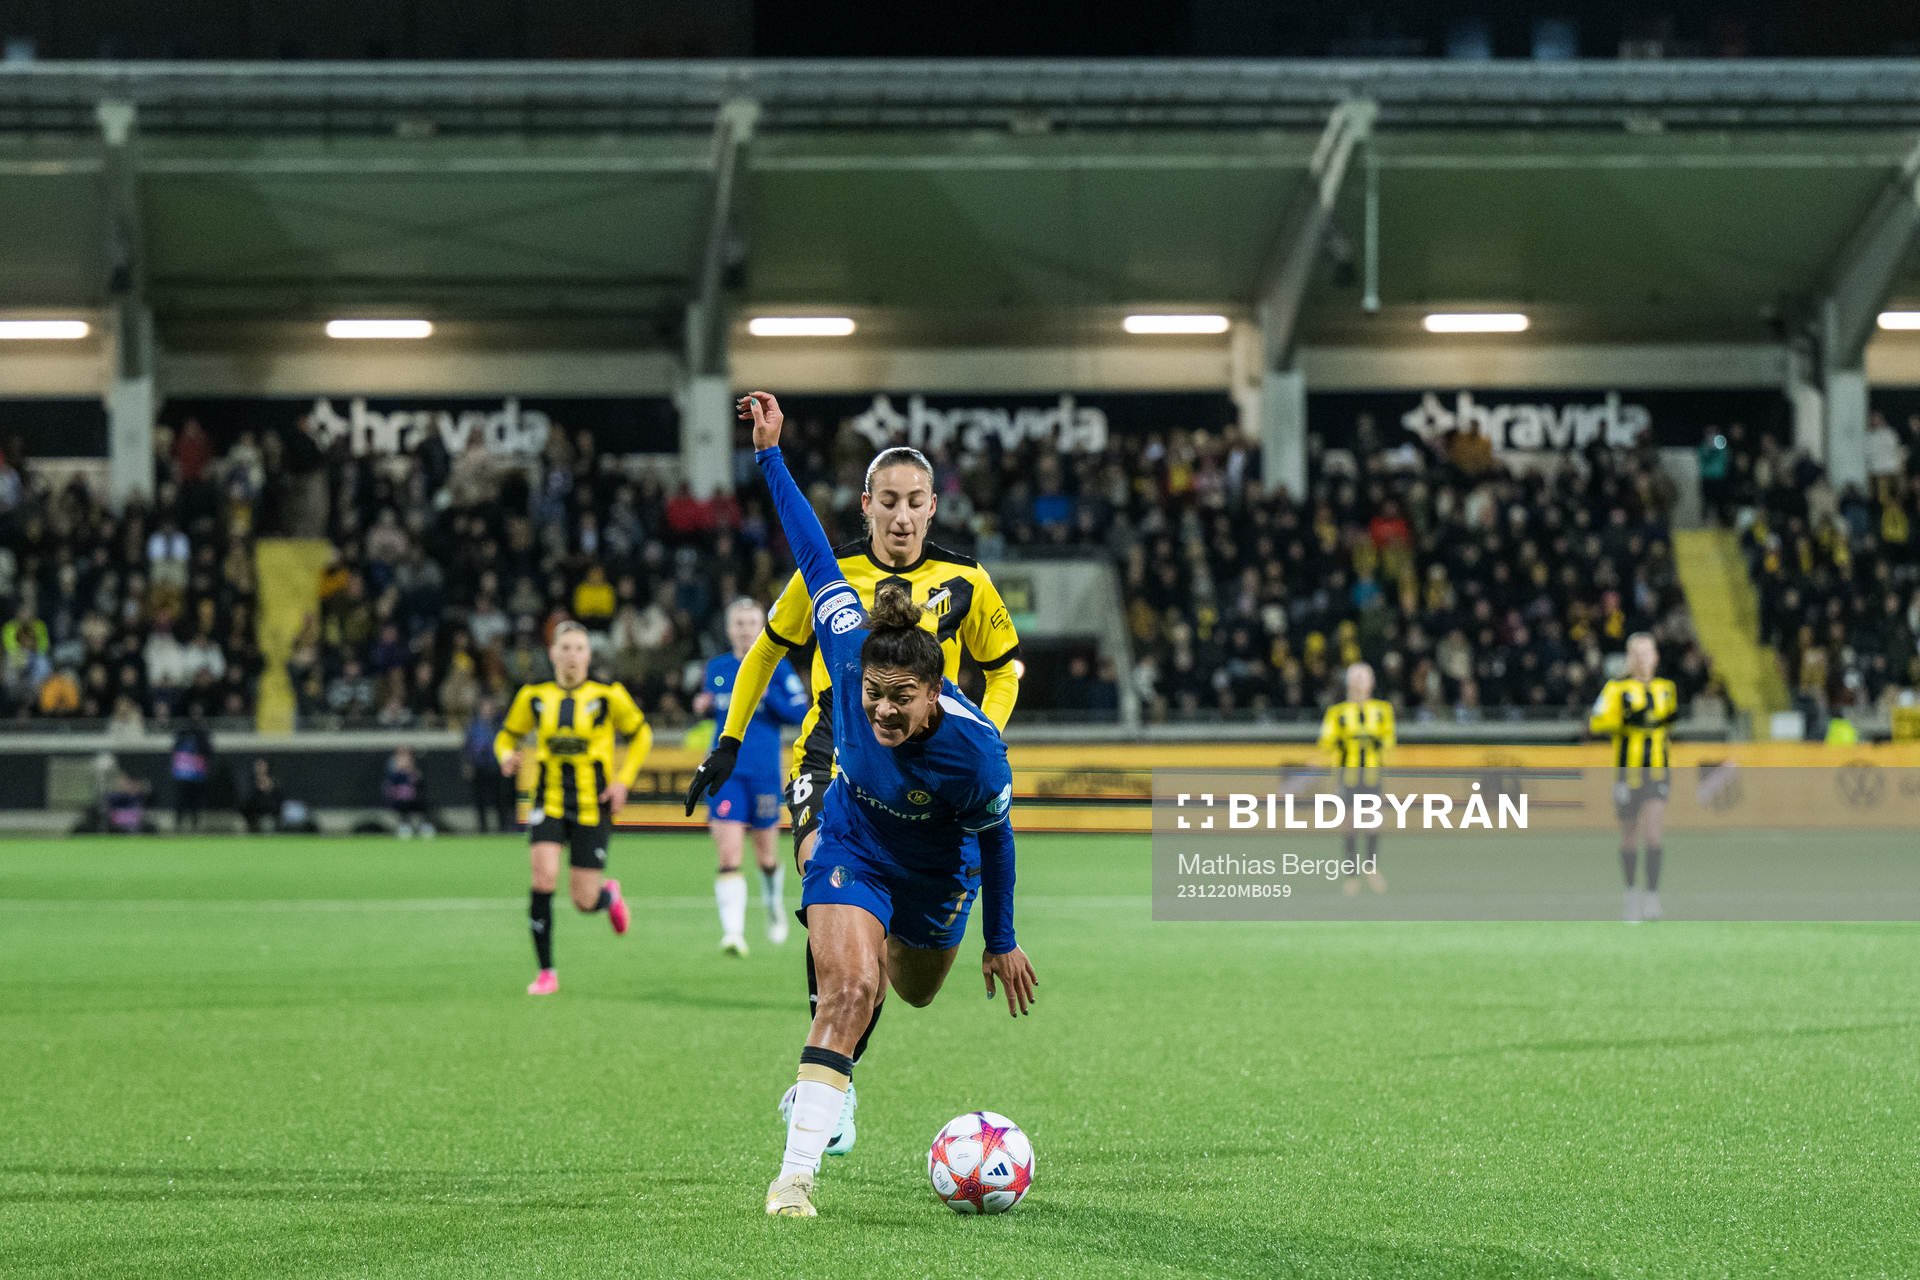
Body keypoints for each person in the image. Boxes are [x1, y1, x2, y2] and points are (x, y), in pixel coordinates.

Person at [727, 392, 1036, 1220]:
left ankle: (889, 959)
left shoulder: (973, 750)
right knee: (851, 991)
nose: (882, 714)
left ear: (935, 691)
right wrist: (769, 455)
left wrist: (1000, 940)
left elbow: (1001, 841)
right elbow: (807, 541)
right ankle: (794, 1177)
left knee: (912, 985)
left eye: (901, 701)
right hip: (854, 836)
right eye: (873, 697)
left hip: (939, 871)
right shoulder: (844, 631)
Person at [495, 620, 653, 996]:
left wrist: (623, 781)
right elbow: (506, 735)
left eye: (578, 648)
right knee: (543, 878)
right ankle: (546, 971)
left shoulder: (609, 695)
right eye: (564, 648)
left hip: (591, 805)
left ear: (588, 654)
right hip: (548, 800)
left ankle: (607, 896)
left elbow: (641, 734)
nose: (571, 655)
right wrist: (504, 756)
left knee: (584, 900)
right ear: (552, 653)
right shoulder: (534, 696)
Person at [696, 598, 811, 956]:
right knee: (729, 854)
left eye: (751, 623)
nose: (745, 629)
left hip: (762, 773)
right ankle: (733, 933)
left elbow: (799, 710)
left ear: (762, 626)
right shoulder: (717, 668)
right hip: (727, 772)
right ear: (729, 628)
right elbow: (712, 712)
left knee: (766, 855)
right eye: (739, 623)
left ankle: (774, 904)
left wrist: (768, 695)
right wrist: (701, 705)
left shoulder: (776, 666)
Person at [1589, 633, 1679, 923]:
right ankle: (1630, 895)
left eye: (1647, 652)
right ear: (1630, 657)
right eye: (1636, 653)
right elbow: (1597, 720)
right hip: (1627, 773)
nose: (1642, 658)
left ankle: (1651, 897)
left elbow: (1669, 724)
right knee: (1629, 833)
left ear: (1656, 656)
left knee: (1653, 830)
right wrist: (1624, 722)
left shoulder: (1667, 689)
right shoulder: (1616, 689)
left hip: (1657, 771)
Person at [1318, 662, 1396, 895]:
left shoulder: (1383, 710)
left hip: (1371, 773)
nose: (1360, 683)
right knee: (1350, 823)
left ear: (1371, 683)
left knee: (1373, 821)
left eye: (1364, 678)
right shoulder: (1337, 712)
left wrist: (1366, 739)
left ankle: (1371, 868)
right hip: (1347, 774)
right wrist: (1349, 741)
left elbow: (1389, 739)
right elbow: (1326, 741)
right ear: (1349, 683)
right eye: (1356, 678)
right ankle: (1351, 875)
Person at [462, 698, 513, 833]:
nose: (488, 710)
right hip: (480, 766)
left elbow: (506, 743)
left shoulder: (499, 724)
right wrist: (468, 764)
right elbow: (467, 746)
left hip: (496, 766)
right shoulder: (474, 726)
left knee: (500, 799)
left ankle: (503, 827)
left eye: (490, 707)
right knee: (480, 799)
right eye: (485, 707)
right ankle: (483, 828)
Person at [170, 720, 213, 833]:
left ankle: (194, 824)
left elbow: (208, 753)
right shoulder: (181, 739)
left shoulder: (201, 740)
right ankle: (179, 824)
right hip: (184, 775)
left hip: (196, 776)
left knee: (195, 801)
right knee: (181, 800)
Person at [384, 746, 434, 838]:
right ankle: (405, 826)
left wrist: (411, 772)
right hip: (400, 801)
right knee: (403, 805)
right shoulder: (394, 773)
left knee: (424, 803)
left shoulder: (414, 771)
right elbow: (390, 787)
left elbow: (420, 784)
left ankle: (425, 826)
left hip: (414, 799)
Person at [242, 757, 282, 833]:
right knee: (239, 824)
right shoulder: (249, 782)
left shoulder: (274, 784)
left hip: (268, 816)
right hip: (250, 816)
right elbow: (245, 803)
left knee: (266, 824)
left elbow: (277, 804)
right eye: (258, 766)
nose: (260, 769)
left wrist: (268, 791)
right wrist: (257, 790)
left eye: (262, 766)